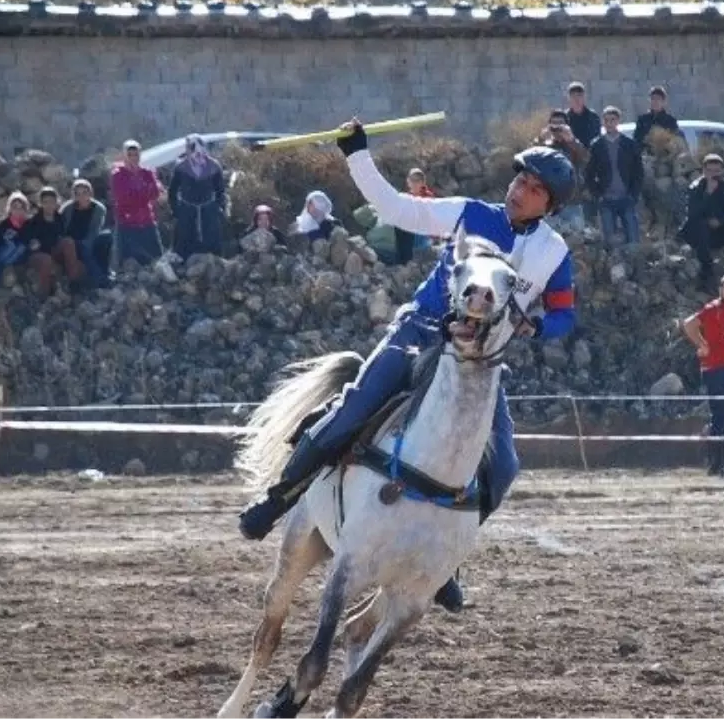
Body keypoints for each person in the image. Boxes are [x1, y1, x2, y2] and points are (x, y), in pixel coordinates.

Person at [238, 117, 578, 614]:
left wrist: (536, 327)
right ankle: (279, 498)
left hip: (476, 363)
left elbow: (566, 314)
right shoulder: (467, 213)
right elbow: (393, 208)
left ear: (551, 205)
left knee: (503, 467)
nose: (520, 192)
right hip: (420, 334)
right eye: (519, 181)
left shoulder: (554, 253)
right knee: (355, 410)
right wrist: (357, 154)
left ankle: (444, 562)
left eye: (533, 189)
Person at [682, 274, 724, 478]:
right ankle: (717, 466)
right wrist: (702, 344)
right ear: (721, 290)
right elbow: (688, 324)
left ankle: (721, 460)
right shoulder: (713, 309)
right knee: (720, 418)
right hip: (714, 370)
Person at [678, 153, 724, 291]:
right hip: (698, 233)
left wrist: (722, 221)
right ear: (704, 171)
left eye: (717, 171)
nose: (713, 174)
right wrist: (708, 193)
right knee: (701, 226)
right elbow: (693, 214)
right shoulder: (695, 188)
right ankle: (706, 271)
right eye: (710, 171)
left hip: (719, 230)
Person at [585, 105, 644, 246]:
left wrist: (634, 194)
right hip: (606, 199)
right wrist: (597, 194)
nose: (609, 123)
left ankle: (634, 266)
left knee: (633, 240)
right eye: (606, 120)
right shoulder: (596, 145)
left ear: (618, 121)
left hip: (626, 197)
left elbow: (638, 172)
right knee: (610, 242)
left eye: (612, 120)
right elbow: (589, 173)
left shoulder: (629, 144)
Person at [169, 134, 227, 259]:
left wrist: (218, 207)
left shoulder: (214, 167)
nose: (197, 151)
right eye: (192, 147)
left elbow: (220, 191)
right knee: (184, 242)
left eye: (199, 147)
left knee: (211, 242)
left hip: (208, 210)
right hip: (187, 210)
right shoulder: (181, 167)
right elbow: (172, 191)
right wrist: (176, 210)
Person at [109, 139, 165, 266]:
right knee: (128, 261)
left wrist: (137, 192)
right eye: (130, 155)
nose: (133, 158)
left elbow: (155, 193)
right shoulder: (118, 174)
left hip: (146, 220)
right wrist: (143, 192)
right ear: (124, 156)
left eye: (136, 155)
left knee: (156, 258)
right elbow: (122, 197)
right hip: (127, 222)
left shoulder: (147, 172)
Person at [59, 179, 114, 288]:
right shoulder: (67, 208)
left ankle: (106, 270)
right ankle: (99, 279)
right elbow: (60, 227)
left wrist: (87, 242)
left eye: (85, 192)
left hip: (90, 238)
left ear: (90, 193)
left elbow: (95, 230)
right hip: (71, 241)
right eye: (78, 193)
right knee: (82, 247)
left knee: (107, 237)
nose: (82, 196)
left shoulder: (99, 209)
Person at [0, 192, 33, 292]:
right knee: (9, 247)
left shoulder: (29, 224)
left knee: (18, 246)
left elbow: (28, 241)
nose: (17, 210)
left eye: (21, 207)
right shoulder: (4, 223)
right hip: (1, 254)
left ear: (25, 209)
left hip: (19, 255)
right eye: (14, 207)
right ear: (10, 209)